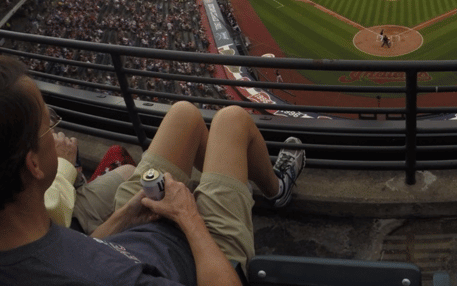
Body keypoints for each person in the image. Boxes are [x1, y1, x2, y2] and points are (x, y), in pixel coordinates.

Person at [0, 56, 306, 285]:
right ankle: (276, 189)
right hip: (199, 251)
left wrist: (127, 214)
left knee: (184, 114)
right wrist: (189, 216)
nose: (56, 135)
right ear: (34, 165)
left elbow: (89, 247)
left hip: (133, 229)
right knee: (232, 120)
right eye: (48, 124)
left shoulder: (23, 238)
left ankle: (224, 182)